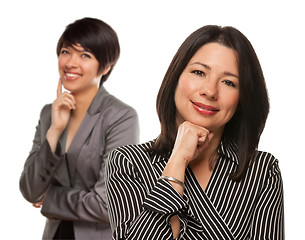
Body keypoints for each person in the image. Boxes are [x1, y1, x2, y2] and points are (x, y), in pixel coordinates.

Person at [105, 25, 284, 240]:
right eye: (199, 72)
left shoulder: (262, 171)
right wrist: (178, 160)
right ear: (176, 78)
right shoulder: (128, 162)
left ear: (242, 97)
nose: (210, 91)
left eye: (229, 82)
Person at [19, 17, 139, 239]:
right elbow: (29, 189)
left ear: (107, 66)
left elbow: (108, 204)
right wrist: (55, 130)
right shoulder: (49, 113)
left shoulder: (121, 117)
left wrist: (52, 198)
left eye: (85, 55)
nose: (70, 63)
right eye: (66, 51)